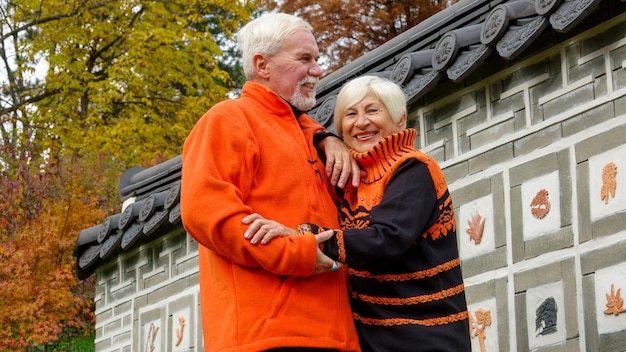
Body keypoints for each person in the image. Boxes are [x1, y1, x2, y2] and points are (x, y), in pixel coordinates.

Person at [245, 76, 471, 351]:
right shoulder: (349, 180)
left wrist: (304, 238)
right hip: (371, 340)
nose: (361, 122)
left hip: (426, 337)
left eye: (373, 110)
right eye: (350, 114)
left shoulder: (413, 169)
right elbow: (292, 128)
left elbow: (386, 240)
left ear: (400, 119)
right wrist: (326, 139)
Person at [180, 13, 361, 352]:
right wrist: (297, 254)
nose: (318, 71)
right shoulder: (226, 119)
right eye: (304, 59)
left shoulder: (313, 137)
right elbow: (207, 213)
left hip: (336, 334)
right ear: (262, 65)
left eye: (317, 60)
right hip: (266, 336)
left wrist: (324, 135)